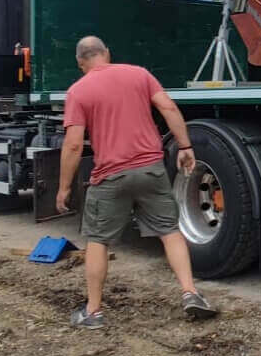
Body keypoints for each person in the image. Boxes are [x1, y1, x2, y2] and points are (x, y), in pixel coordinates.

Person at [56, 35, 217, 329]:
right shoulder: (139, 74)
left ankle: (93, 312)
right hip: (150, 170)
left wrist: (64, 187)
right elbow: (167, 108)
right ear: (107, 52)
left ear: (81, 63)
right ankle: (191, 293)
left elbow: (74, 145)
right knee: (169, 231)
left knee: (98, 240)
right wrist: (184, 146)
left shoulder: (78, 91)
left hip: (110, 176)